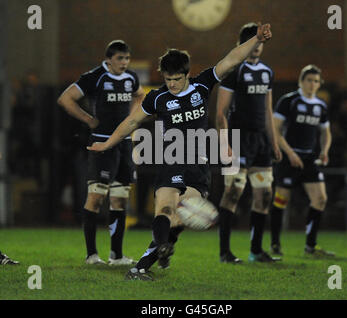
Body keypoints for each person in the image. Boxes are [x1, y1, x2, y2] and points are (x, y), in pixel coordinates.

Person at [88, 23, 273, 280]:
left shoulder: (202, 85)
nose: (172, 84)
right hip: (171, 160)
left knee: (181, 217)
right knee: (164, 209)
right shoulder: (157, 98)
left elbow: (231, 59)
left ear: (187, 74)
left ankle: (160, 249)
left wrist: (255, 40)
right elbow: (131, 122)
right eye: (167, 79)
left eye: (176, 79)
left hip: (198, 164)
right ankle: (143, 265)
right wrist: (107, 143)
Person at [57, 40, 145, 265]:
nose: (124, 63)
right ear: (108, 59)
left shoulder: (131, 78)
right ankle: (91, 254)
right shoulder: (94, 77)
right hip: (101, 144)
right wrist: (88, 119)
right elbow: (65, 99)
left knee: (120, 199)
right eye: (120, 58)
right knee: (96, 198)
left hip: (124, 144)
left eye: (127, 58)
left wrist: (132, 119)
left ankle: (116, 255)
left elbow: (140, 95)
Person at [216, 23, 282, 263]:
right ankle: (225, 252)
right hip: (238, 139)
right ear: (243, 45)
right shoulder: (234, 70)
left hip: (261, 142)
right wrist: (225, 143)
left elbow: (267, 110)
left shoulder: (267, 72)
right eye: (252, 42)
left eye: (260, 42)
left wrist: (273, 142)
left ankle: (256, 250)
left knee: (264, 196)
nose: (257, 47)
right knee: (233, 192)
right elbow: (220, 113)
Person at [270, 64, 334, 256]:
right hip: (288, 158)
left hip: (309, 159)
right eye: (309, 80)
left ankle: (310, 246)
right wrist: (290, 153)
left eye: (316, 81)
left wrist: (324, 150)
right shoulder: (288, 101)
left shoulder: (320, 106)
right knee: (281, 200)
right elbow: (276, 130)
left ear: (319, 83)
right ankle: (275, 243)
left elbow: (326, 132)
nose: (312, 84)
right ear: (301, 81)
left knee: (320, 199)